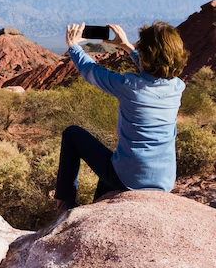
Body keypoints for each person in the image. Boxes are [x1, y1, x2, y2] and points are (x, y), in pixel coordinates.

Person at [54, 21, 189, 215]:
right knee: (112, 163)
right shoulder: (177, 86)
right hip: (164, 181)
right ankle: (97, 207)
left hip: (129, 179)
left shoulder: (128, 86)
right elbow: (153, 71)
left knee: (72, 134)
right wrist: (127, 47)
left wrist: (73, 46)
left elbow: (90, 71)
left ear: (144, 55)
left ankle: (64, 205)